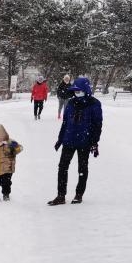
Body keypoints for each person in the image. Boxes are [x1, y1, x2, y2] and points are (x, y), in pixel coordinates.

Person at [48, 76, 101, 206]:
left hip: (85, 141)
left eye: (79, 90)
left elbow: (97, 124)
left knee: (82, 168)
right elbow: (65, 123)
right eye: (75, 91)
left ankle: (79, 194)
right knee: (62, 167)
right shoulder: (71, 103)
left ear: (85, 90)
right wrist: (60, 139)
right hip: (69, 140)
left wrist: (94, 142)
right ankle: (61, 196)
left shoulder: (94, 104)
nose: (77, 93)